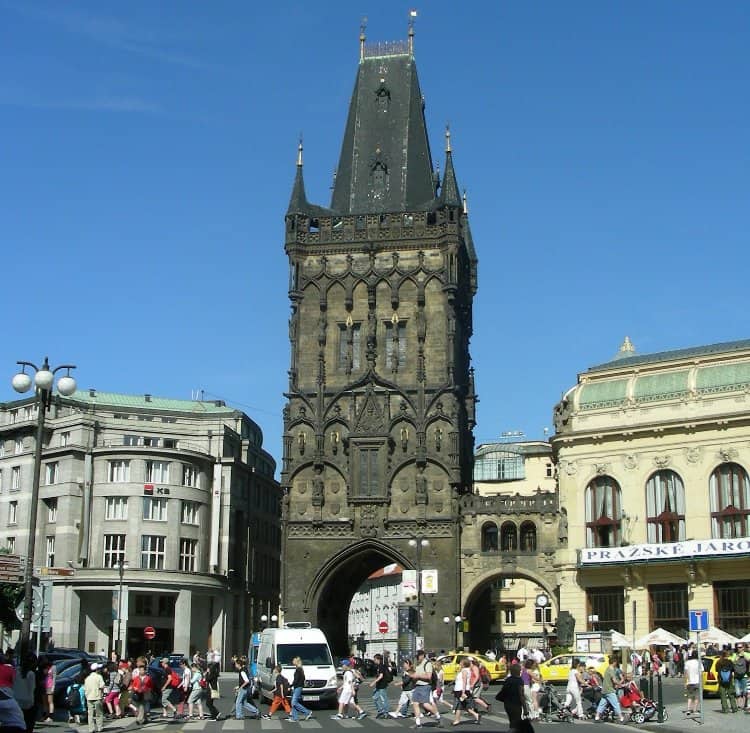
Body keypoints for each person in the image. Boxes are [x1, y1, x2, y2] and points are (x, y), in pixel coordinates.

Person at [409, 650, 441, 726]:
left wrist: (418, 676)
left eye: (418, 656)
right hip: (417, 686)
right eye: (416, 656)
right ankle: (418, 722)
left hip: (425, 686)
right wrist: (412, 675)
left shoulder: (427, 663)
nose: (417, 658)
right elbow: (415, 674)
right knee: (415, 703)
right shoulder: (417, 664)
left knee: (425, 704)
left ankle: (437, 715)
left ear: (422, 655)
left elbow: (428, 676)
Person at [496, 663, 526, 731]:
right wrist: (525, 708)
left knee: (512, 723)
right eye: (520, 670)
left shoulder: (508, 680)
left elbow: (503, 691)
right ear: (518, 671)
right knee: (517, 725)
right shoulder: (519, 681)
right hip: (516, 704)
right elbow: (521, 695)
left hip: (507, 704)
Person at [12, 652, 37, 733]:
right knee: (28, 725)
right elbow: (32, 688)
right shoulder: (31, 674)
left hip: (16, 699)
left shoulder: (16, 671)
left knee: (17, 723)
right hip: (28, 702)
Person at [595, 657, 624, 722]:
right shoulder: (611, 670)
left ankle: (597, 717)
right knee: (616, 704)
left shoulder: (607, 669)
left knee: (602, 704)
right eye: (616, 663)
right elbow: (614, 680)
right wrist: (620, 684)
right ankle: (621, 718)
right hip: (609, 690)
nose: (616, 664)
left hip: (604, 690)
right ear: (614, 662)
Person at [452, 658, 480, 725]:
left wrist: (463, 692)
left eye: (461, 662)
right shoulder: (465, 670)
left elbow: (464, 682)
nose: (459, 664)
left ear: (464, 664)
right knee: (463, 706)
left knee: (458, 705)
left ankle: (457, 720)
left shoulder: (464, 670)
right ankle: (476, 715)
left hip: (461, 690)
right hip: (459, 689)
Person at [287, 656, 313, 722]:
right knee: (293, 703)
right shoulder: (300, 669)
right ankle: (295, 718)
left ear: (296, 661)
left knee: (294, 702)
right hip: (297, 687)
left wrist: (290, 686)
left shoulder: (298, 669)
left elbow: (296, 680)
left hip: (298, 687)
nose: (292, 661)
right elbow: (302, 678)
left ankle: (307, 712)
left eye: (293, 660)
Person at [233, 655, 259, 720]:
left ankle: (239, 716)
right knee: (244, 703)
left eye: (236, 664)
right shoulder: (244, 669)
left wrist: (240, 687)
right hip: (245, 688)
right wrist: (238, 686)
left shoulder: (242, 671)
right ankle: (256, 711)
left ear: (239, 664)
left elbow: (246, 681)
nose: (235, 665)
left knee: (238, 702)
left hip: (243, 689)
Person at [130, 657, 153, 725]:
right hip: (138, 693)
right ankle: (144, 718)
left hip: (145, 693)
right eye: (140, 670)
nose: (141, 672)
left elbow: (151, 686)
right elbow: (133, 685)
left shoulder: (148, 678)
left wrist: (148, 689)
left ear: (145, 671)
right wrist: (135, 689)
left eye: (142, 670)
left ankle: (139, 719)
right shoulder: (137, 678)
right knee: (140, 706)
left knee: (143, 706)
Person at [84, 663, 105, 733]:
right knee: (99, 713)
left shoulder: (87, 678)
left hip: (89, 697)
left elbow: (85, 688)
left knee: (90, 714)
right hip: (97, 697)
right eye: (98, 669)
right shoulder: (99, 677)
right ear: (96, 670)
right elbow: (102, 686)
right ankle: (99, 727)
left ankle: (91, 729)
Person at [370, 652, 391, 718]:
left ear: (378, 659)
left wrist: (374, 682)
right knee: (375, 697)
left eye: (374, 659)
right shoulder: (378, 666)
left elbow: (381, 676)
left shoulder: (381, 666)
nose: (374, 660)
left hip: (382, 685)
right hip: (379, 685)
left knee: (383, 699)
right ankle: (381, 711)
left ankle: (386, 712)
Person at [683, 650, 701, 717]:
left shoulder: (687, 663)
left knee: (690, 696)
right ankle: (694, 710)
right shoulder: (699, 663)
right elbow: (701, 672)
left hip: (689, 681)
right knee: (696, 696)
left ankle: (688, 709)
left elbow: (686, 673)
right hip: (697, 681)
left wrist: (686, 681)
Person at [732, 643, 748, 710]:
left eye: (740, 647)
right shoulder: (734, 654)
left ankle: (744, 705)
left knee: (744, 692)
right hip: (736, 676)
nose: (739, 648)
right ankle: (739, 705)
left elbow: (749, 659)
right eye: (738, 647)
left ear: (743, 648)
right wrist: (738, 656)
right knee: (737, 692)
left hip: (744, 676)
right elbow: (733, 661)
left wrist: (743, 654)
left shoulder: (747, 654)